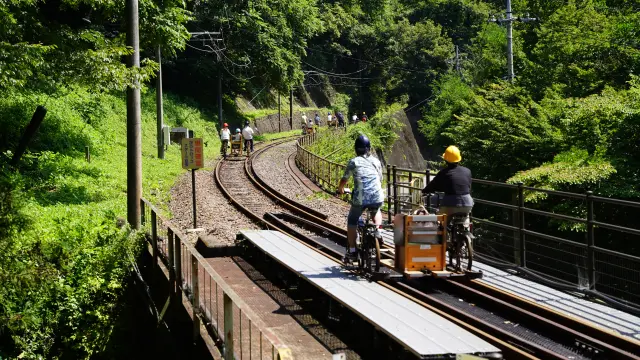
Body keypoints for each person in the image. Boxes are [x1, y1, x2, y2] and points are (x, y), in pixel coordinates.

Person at [337, 135, 384, 263]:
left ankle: (352, 251)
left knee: (352, 220)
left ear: (356, 149)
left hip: (360, 198)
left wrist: (340, 189)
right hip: (377, 195)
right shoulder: (376, 161)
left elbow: (344, 179)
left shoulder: (354, 162)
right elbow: (380, 178)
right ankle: (378, 230)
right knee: (376, 209)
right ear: (368, 149)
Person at [421, 145, 473, 218]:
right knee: (465, 219)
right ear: (459, 159)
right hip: (467, 203)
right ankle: (466, 227)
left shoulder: (443, 173)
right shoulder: (467, 171)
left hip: (449, 204)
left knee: (440, 220)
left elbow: (432, 185)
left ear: (445, 160)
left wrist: (425, 190)